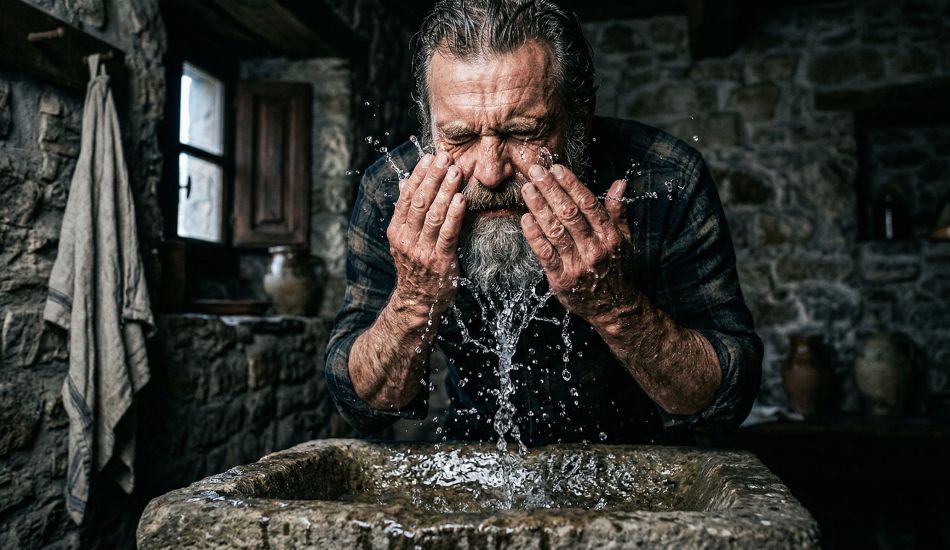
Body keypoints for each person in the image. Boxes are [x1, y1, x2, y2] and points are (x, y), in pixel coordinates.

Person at [325, 0, 762, 445]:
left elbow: (724, 397)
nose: (491, 173)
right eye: (459, 136)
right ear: (429, 124)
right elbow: (364, 405)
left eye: (523, 132)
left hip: (639, 457)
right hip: (474, 455)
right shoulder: (392, 191)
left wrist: (614, 306)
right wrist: (414, 300)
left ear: (579, 115)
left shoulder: (666, 179)